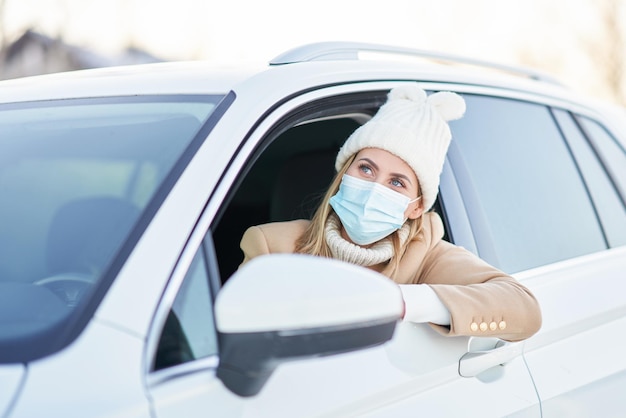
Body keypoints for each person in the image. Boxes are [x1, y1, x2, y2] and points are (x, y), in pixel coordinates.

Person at [239, 83, 541, 342]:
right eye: (366, 168)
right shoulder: (271, 245)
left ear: (417, 206)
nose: (374, 189)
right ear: (344, 173)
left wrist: (406, 302)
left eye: (397, 182)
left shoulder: (428, 257)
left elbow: (524, 308)